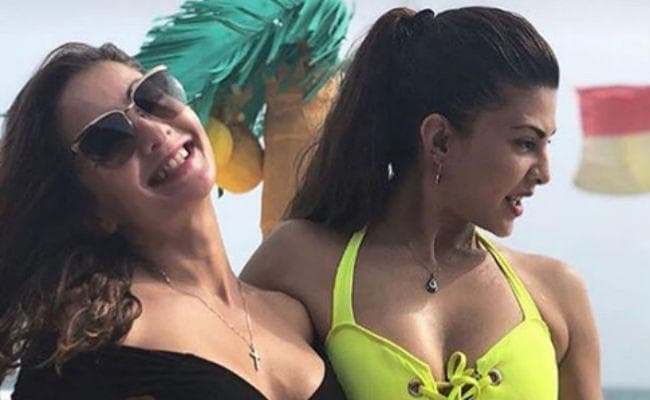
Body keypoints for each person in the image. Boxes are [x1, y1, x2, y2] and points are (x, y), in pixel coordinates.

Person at [242, 6, 602, 400]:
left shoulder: (556, 293)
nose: (544, 173)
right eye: (525, 143)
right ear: (440, 140)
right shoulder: (300, 263)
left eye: (546, 144)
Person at [0, 42, 345, 400]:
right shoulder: (82, 346)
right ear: (90, 209)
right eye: (109, 138)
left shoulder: (296, 313)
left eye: (151, 96)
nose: (154, 132)